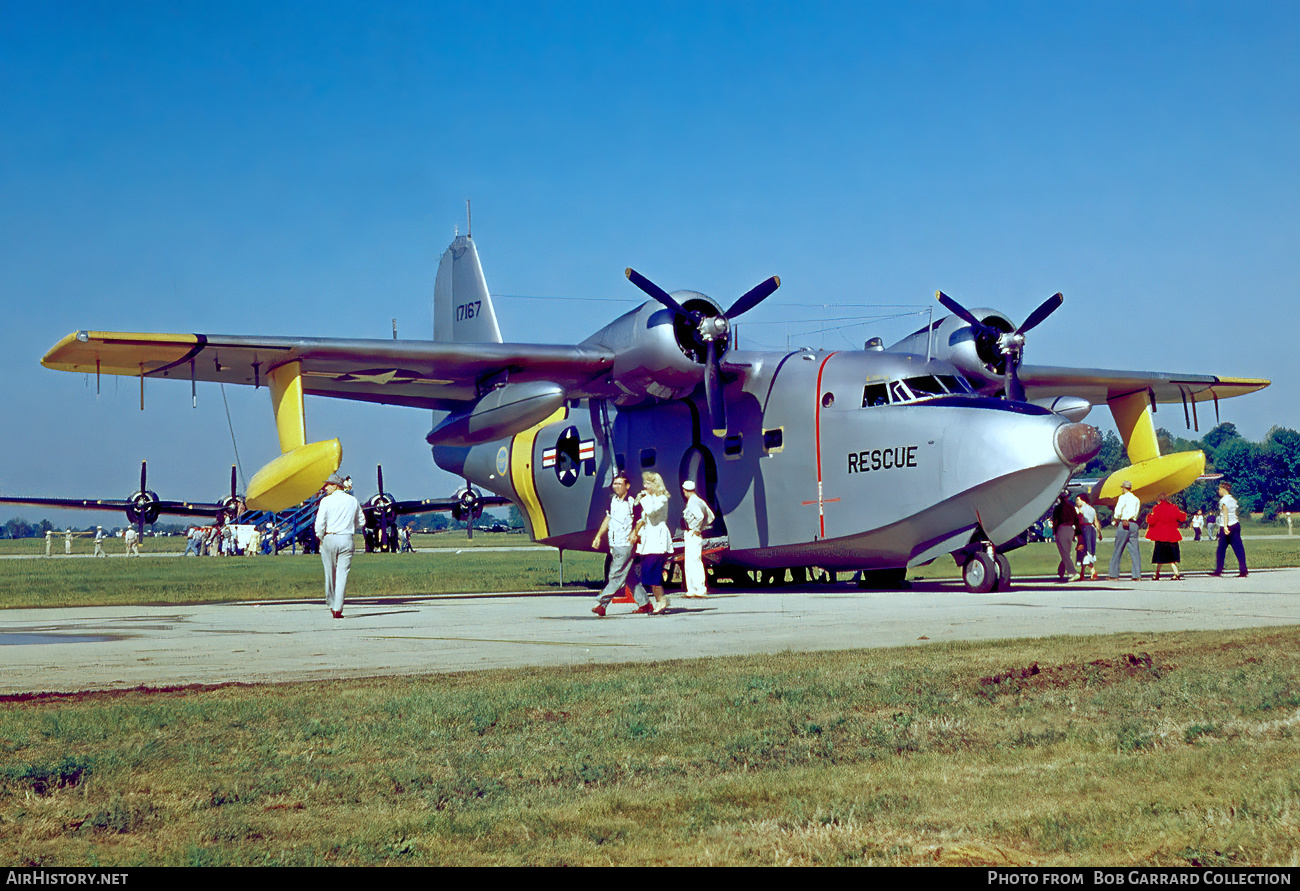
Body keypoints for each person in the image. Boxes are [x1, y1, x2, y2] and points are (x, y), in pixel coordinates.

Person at [590, 473, 650, 616]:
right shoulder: (612, 501)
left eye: (619, 484)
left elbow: (641, 519)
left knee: (615, 575)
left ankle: (602, 604)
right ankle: (645, 603)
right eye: (615, 483)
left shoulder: (633, 501)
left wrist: (635, 532)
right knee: (629, 576)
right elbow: (608, 519)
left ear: (627, 486)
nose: (616, 486)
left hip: (626, 543)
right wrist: (598, 536)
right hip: (615, 543)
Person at [315, 472, 366, 619]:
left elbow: (320, 523)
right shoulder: (353, 501)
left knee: (329, 573)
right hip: (347, 538)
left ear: (335, 486)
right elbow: (362, 521)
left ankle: (332, 603)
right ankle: (338, 608)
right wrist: (350, 527)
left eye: (328, 485)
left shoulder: (326, 502)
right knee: (342, 574)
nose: (325, 488)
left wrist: (320, 536)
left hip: (330, 537)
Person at [633, 471, 673, 615]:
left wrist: (644, 498)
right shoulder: (649, 498)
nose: (644, 487)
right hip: (648, 539)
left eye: (648, 484)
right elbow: (644, 516)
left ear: (655, 485)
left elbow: (650, 510)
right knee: (646, 572)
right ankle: (660, 600)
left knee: (652, 570)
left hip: (658, 539)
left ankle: (661, 600)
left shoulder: (661, 499)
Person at [680, 479, 716, 598]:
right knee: (692, 561)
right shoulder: (699, 501)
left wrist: (696, 528)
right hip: (694, 533)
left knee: (693, 561)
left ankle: (698, 588)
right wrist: (702, 527)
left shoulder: (692, 502)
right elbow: (710, 516)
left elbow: (699, 516)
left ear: (685, 490)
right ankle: (692, 588)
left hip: (692, 533)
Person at [1210, 481, 1248, 578]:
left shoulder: (1223, 501)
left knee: (1221, 550)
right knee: (1238, 548)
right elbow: (1235, 512)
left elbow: (1225, 513)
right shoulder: (1233, 500)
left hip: (1226, 525)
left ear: (1223, 489)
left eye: (1219, 489)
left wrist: (1225, 527)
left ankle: (1218, 570)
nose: (1218, 491)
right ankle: (1243, 569)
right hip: (1235, 524)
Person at [1144, 493, 1186, 580]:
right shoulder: (1174, 507)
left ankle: (1158, 573)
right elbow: (1182, 517)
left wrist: (1148, 516)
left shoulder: (1157, 508)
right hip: (1172, 534)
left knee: (1160, 556)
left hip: (1161, 535)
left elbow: (1151, 520)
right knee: (1171, 556)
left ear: (1159, 500)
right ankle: (1175, 572)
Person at [1108, 480, 1142, 581]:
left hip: (1124, 523)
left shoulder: (1122, 497)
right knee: (1135, 551)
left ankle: (1113, 574)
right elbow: (1136, 512)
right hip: (1134, 524)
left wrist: (1115, 518)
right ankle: (1137, 575)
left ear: (1123, 488)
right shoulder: (1136, 499)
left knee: (1118, 548)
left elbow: (1118, 510)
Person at [1051, 493, 1077, 582]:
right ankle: (1061, 571)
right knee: (1066, 552)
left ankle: (1073, 572)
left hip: (1062, 528)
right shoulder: (1071, 507)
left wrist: (1054, 532)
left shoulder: (1058, 508)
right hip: (1070, 529)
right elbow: (1076, 519)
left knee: (1064, 552)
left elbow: (1055, 521)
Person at [1075, 494, 1100, 580]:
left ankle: (1092, 570)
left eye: (1078, 500)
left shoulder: (1081, 510)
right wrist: (1099, 533)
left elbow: (1080, 520)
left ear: (1082, 500)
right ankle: (1082, 572)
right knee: (1089, 549)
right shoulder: (1092, 509)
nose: (1077, 502)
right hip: (1092, 529)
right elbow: (1096, 521)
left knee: (1084, 550)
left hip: (1084, 528)